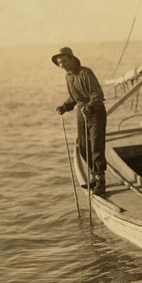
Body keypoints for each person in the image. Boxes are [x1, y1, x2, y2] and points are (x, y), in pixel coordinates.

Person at [53, 47, 107, 195]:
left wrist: (90, 107)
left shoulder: (85, 73)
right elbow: (74, 97)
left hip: (95, 112)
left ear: (72, 59)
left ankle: (101, 181)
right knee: (83, 146)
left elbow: (97, 94)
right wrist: (64, 107)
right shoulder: (68, 77)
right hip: (81, 113)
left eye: (63, 61)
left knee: (96, 145)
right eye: (59, 63)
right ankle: (94, 176)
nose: (61, 65)